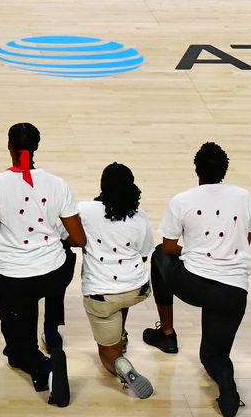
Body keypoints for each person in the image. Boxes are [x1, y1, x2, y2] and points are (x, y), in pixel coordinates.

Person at [0, 122, 83, 408]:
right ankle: (51, 328)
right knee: (63, 259)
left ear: (9, 147)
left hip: (16, 278)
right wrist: (56, 240)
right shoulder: (58, 184)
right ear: (35, 148)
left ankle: (38, 364)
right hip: (55, 274)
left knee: (16, 340)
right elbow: (79, 238)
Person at [143, 142, 251, 417]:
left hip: (193, 283)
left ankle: (167, 334)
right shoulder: (244, 197)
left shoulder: (183, 200)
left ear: (197, 170)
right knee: (214, 357)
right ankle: (227, 386)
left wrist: (193, 251)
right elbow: (250, 237)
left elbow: (169, 247)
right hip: (233, 292)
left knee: (158, 255)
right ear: (225, 170)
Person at [76, 163, 154, 400]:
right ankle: (119, 335)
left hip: (101, 295)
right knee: (121, 297)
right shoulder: (140, 217)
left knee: (107, 355)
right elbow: (142, 255)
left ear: (102, 185)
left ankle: (121, 365)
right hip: (136, 289)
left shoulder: (85, 210)